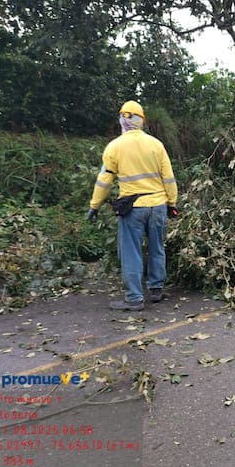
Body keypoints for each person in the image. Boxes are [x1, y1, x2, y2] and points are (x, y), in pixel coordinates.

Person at [87, 100, 178, 311]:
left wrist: (94, 206)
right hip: (157, 206)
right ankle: (156, 290)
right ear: (142, 122)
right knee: (157, 248)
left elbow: (104, 181)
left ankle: (134, 298)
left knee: (131, 252)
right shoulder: (156, 145)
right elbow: (169, 178)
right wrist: (172, 204)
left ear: (122, 120)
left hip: (133, 209)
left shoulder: (114, 147)